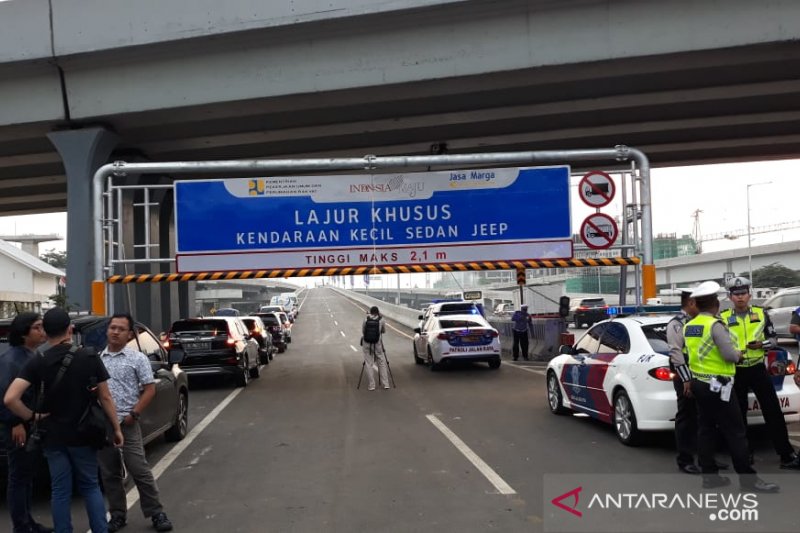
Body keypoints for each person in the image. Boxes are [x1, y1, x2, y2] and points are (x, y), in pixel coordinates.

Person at [3, 307, 124, 533]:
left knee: (60, 490)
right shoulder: (89, 357)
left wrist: (31, 416)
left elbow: (10, 398)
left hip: (52, 437)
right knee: (90, 486)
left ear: (46, 333)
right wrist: (116, 428)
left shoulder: (38, 360)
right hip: (84, 433)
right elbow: (105, 397)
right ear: (70, 329)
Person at [683, 281, 778, 492]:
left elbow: (690, 354)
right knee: (736, 432)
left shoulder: (690, 326)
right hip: (718, 384)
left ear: (697, 305)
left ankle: (710, 477)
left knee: (706, 429)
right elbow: (729, 355)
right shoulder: (715, 325)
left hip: (699, 382)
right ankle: (748, 481)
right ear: (716, 303)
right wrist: (739, 354)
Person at [97, 314, 173, 532]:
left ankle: (156, 512)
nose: (115, 332)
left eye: (121, 329)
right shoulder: (97, 359)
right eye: (112, 327)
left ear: (130, 334)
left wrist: (135, 413)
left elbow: (149, 389)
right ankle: (118, 515)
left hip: (128, 422)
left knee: (139, 469)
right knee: (110, 473)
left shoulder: (137, 358)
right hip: (105, 424)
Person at [719, 276, 800, 469]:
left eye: (743, 294)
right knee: (738, 415)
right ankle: (744, 454)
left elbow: (773, 339)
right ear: (730, 297)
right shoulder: (722, 318)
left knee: (773, 411)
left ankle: (785, 454)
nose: (740, 298)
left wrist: (760, 345)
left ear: (750, 295)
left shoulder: (761, 313)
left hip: (757, 368)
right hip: (735, 370)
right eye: (736, 294)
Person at [0, 312, 54, 533]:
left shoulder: (31, 355)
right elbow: (5, 396)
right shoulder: (12, 360)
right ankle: (21, 526)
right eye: (37, 327)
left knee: (26, 475)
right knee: (18, 477)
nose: (42, 332)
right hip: (17, 426)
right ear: (24, 333)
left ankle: (28, 521)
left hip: (31, 424)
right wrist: (16, 422)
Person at [667, 289, 702, 475]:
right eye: (699, 302)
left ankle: (706, 456)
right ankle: (685, 460)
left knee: (704, 416)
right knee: (687, 415)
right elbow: (676, 352)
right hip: (685, 372)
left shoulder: (702, 321)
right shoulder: (677, 324)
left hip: (703, 373)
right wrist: (686, 378)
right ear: (690, 303)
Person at [361, 306, 389, 391]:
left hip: (367, 344)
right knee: (381, 362)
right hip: (377, 344)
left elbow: (363, 331)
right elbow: (383, 331)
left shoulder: (366, 320)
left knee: (369, 364)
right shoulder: (381, 320)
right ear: (378, 312)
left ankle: (372, 385)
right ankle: (386, 384)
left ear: (370, 312)